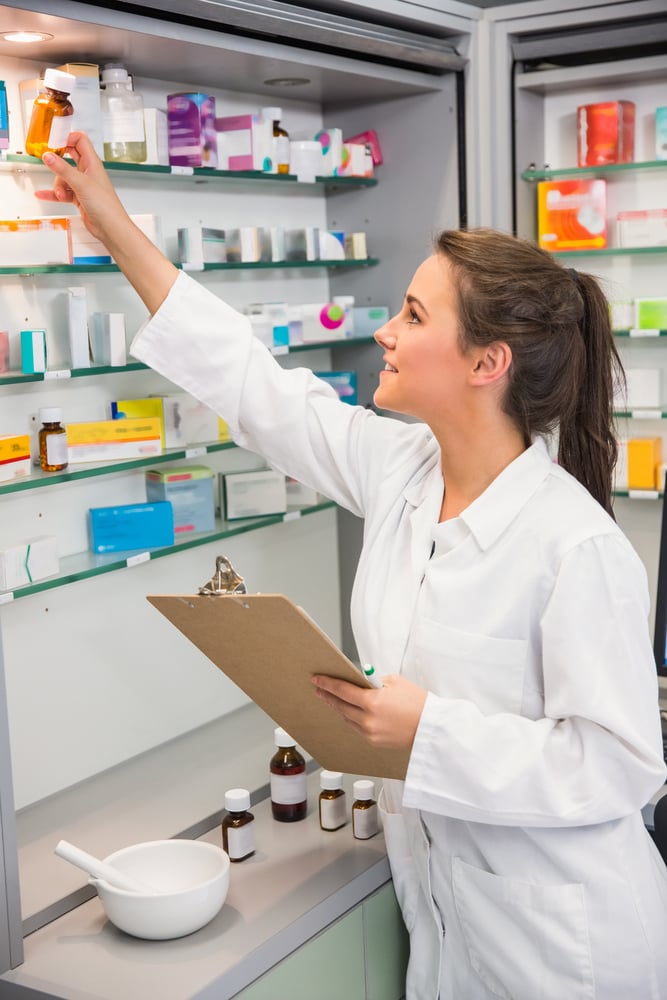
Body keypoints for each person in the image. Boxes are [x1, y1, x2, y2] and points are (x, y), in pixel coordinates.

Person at [38, 133, 667, 999]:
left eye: (414, 315)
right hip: (450, 914)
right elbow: (253, 386)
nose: (386, 330)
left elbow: (621, 768)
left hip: (566, 950)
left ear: (488, 363)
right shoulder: (404, 469)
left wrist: (425, 733)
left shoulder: (573, 545)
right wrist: (111, 226)